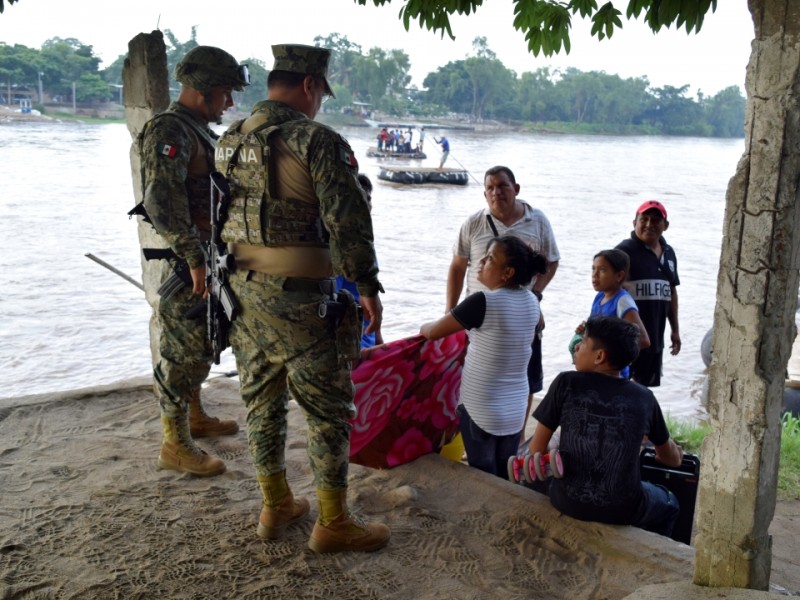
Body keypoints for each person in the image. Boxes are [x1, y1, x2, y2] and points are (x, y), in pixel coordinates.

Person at [215, 43, 389, 553]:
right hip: (304, 303)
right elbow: (348, 222)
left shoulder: (230, 139)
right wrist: (366, 285)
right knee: (328, 411)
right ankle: (333, 522)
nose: (320, 103)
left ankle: (275, 506)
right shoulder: (317, 140)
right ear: (310, 85)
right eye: (321, 93)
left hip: (243, 296)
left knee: (261, 404)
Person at [138, 45, 248, 477]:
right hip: (189, 261)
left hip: (205, 255)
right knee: (181, 352)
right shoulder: (171, 130)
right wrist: (193, 256)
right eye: (225, 93)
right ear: (204, 90)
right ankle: (175, 443)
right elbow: (161, 202)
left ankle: (195, 416)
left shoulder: (195, 129)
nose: (230, 103)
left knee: (201, 341)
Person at [529, 316, 684, 536]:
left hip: (566, 501)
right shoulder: (644, 398)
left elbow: (536, 450)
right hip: (622, 510)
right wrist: (673, 452)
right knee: (670, 503)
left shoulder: (565, 383)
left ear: (599, 356)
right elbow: (672, 460)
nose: (576, 348)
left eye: (582, 343)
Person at [446, 165, 560, 444]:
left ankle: (516, 436)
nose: (496, 192)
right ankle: (471, 435)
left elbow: (551, 261)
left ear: (516, 188)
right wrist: (450, 312)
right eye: (490, 188)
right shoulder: (473, 223)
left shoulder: (538, 220)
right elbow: (458, 267)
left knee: (524, 376)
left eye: (503, 186)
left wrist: (536, 295)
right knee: (476, 373)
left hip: (523, 315)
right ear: (484, 194)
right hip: (479, 318)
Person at [422, 236, 547, 479]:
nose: (479, 262)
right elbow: (532, 331)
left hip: (481, 405)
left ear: (507, 272)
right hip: (515, 406)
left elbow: (433, 332)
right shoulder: (532, 300)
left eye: (490, 259)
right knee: (504, 471)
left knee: (482, 473)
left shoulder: (482, 302)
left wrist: (422, 326)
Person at [615, 201, 680, 387]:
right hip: (628, 337)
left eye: (656, 220)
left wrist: (675, 330)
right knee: (621, 386)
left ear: (665, 226)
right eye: (644, 219)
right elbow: (608, 289)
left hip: (655, 337)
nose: (649, 224)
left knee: (643, 389)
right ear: (634, 222)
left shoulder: (669, 253)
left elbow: (671, 291)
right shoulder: (623, 251)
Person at [571, 249, 651, 378]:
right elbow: (598, 329)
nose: (594, 275)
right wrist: (586, 330)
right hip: (595, 366)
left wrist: (610, 356)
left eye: (602, 270)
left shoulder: (622, 302)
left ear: (619, 276)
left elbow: (643, 340)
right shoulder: (599, 297)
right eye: (593, 269)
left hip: (613, 373)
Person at [335, 173, 384, 349]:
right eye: (362, 198)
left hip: (366, 342)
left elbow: (372, 298)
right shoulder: (340, 247)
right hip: (350, 350)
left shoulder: (364, 246)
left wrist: (380, 344)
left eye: (369, 198)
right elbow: (331, 301)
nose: (367, 204)